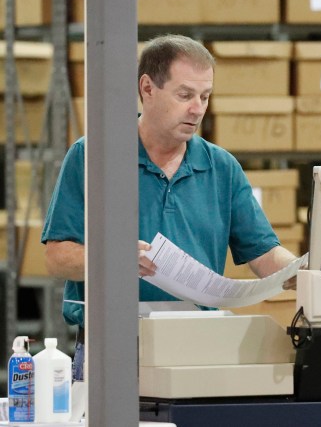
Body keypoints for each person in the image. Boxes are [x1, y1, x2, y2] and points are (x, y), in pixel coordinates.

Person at [42, 34, 299, 382]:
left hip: (200, 346)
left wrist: (302, 272)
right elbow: (57, 258)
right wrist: (113, 260)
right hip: (113, 347)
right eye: (185, 95)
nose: (198, 108)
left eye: (205, 96)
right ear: (147, 88)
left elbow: (264, 253)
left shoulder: (221, 167)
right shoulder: (93, 156)